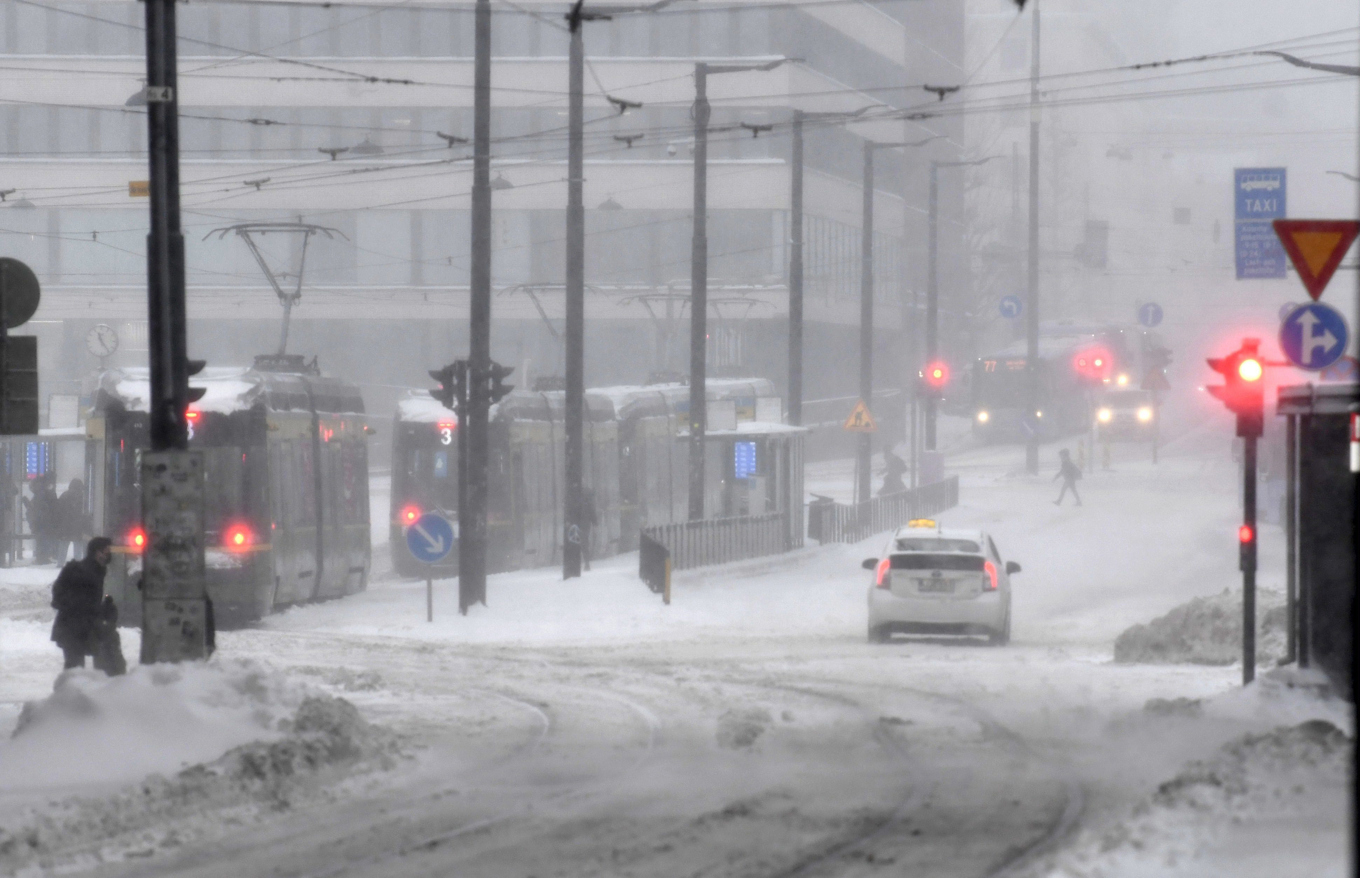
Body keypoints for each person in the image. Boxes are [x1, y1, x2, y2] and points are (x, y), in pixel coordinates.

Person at [50, 536, 125, 674]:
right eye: (105, 551)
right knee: (76, 668)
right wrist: (99, 609)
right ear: (96, 552)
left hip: (80, 627)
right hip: (74, 628)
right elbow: (65, 599)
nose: (108, 555)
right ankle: (76, 692)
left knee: (76, 668)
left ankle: (78, 690)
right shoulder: (81, 571)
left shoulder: (98, 571)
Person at [54, 478, 89, 565]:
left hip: (65, 525)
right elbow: (84, 512)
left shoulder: (64, 495)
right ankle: (77, 563)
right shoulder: (81, 496)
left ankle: (60, 563)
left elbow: (58, 510)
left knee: (63, 544)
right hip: (77, 525)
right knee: (78, 544)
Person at [25, 475, 58, 564]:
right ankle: (43, 556)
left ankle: (41, 557)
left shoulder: (39, 496)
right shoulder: (47, 494)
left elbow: (34, 510)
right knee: (43, 539)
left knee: (41, 539)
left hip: (40, 522)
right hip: (44, 522)